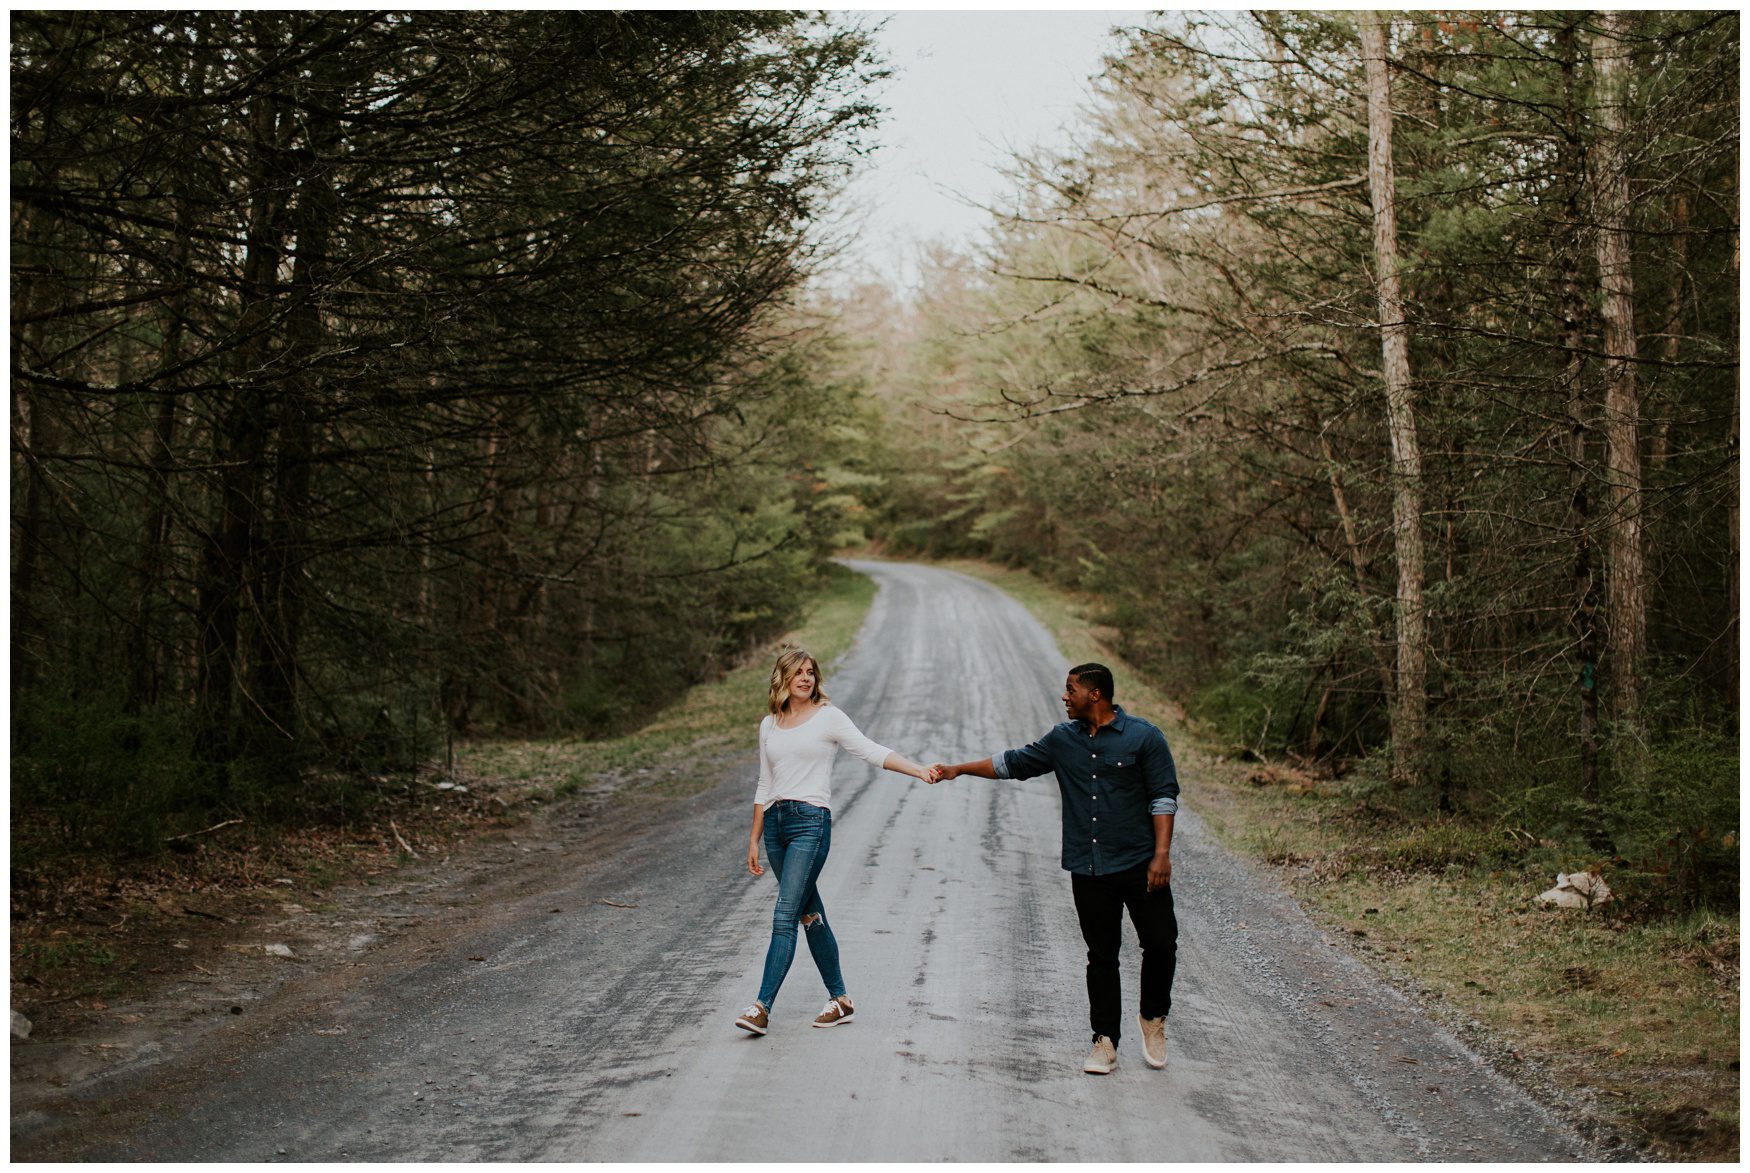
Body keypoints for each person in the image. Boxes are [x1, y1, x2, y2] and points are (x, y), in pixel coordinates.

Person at [932, 662, 1178, 1075]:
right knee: (1101, 955)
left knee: (1162, 943)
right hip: (1089, 865)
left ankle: (1153, 1018)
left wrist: (1162, 854)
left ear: (1095, 695)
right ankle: (1104, 1042)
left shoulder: (1144, 737)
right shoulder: (1063, 740)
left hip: (1139, 863)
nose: (1064, 697)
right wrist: (959, 769)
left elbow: (1163, 796)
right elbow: (1013, 763)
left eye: (1071, 690)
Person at [735, 647, 939, 1036]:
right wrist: (754, 837)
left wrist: (918, 770)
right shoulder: (769, 725)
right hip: (776, 824)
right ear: (783, 678)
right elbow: (765, 782)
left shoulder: (828, 717)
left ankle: (762, 1007)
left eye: (810, 672)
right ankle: (840, 999)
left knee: (784, 913)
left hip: (810, 824)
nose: (806, 678)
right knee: (808, 911)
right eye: (798, 672)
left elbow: (870, 750)